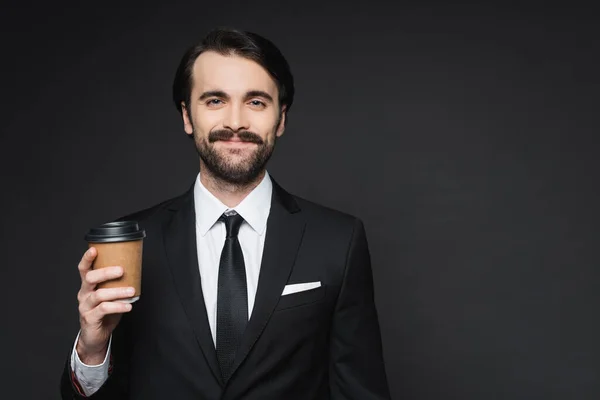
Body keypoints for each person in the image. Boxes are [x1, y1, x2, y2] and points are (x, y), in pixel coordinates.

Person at [60, 27, 391, 399]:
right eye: (215, 100)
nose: (236, 122)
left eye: (256, 102)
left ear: (281, 118)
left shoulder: (338, 241)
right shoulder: (135, 244)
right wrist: (91, 349)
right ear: (187, 116)